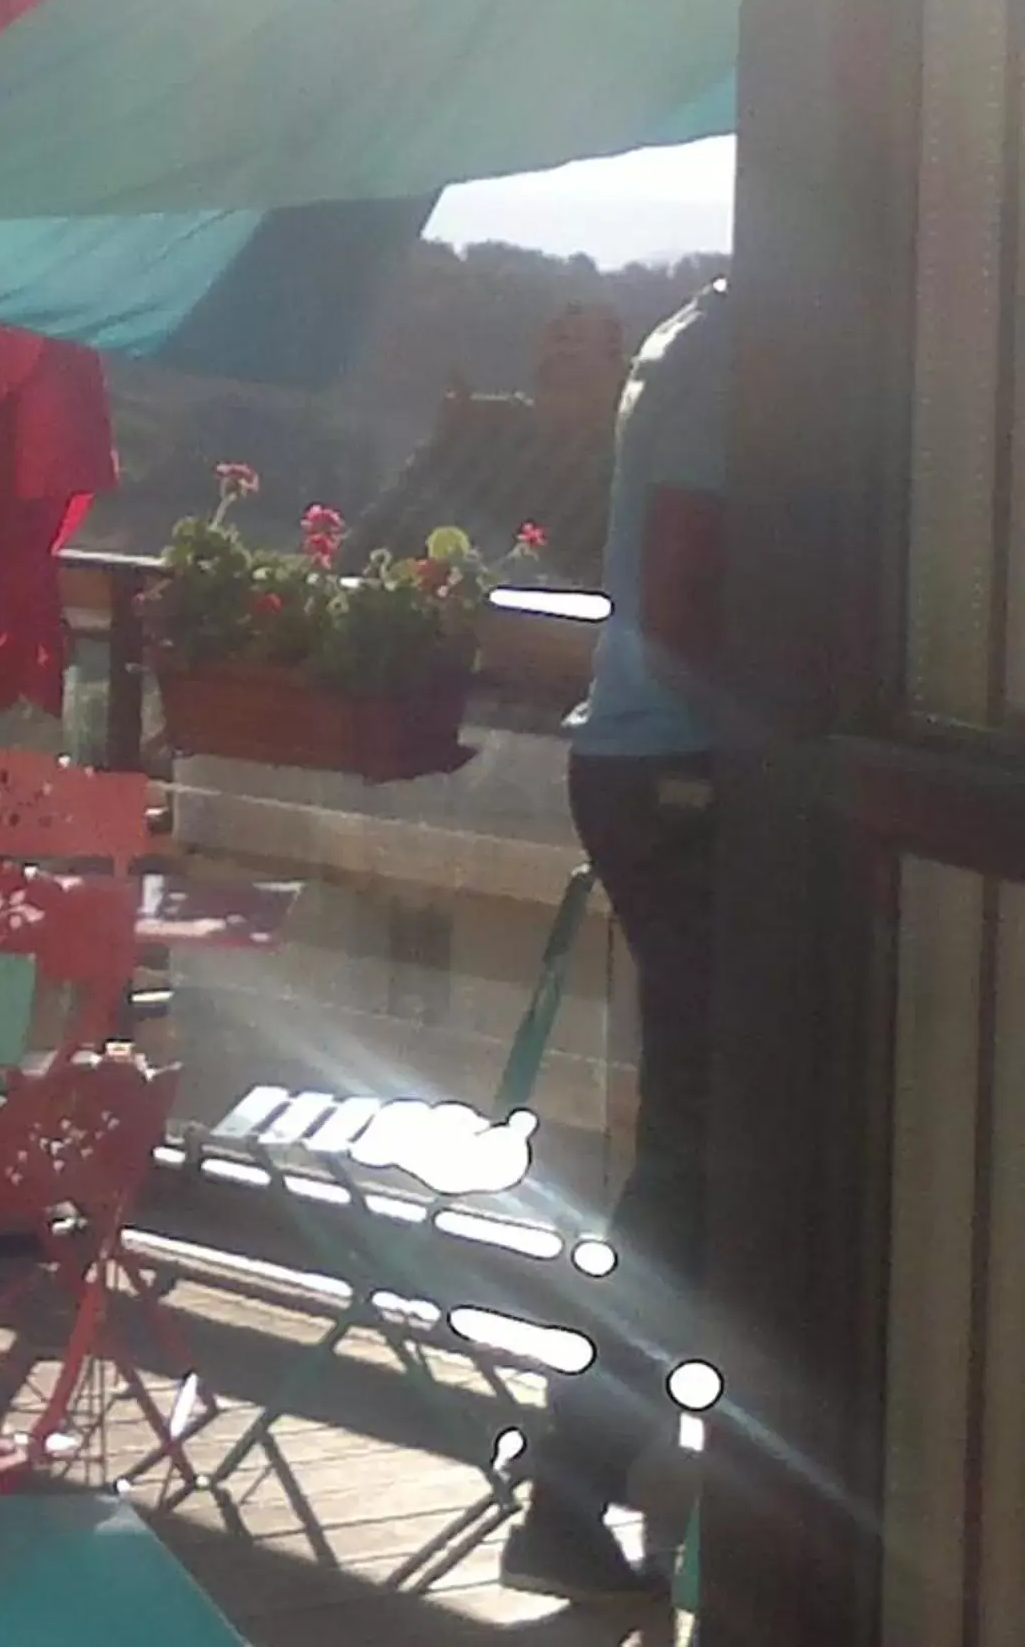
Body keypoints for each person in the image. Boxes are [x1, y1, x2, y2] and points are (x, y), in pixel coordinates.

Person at [502, 277, 729, 1601]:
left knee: (700, 1163)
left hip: (650, 767)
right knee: (705, 1172)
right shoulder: (750, 353)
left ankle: (612, 1474)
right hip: (694, 776)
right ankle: (583, 1479)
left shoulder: (698, 336)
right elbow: (697, 592)